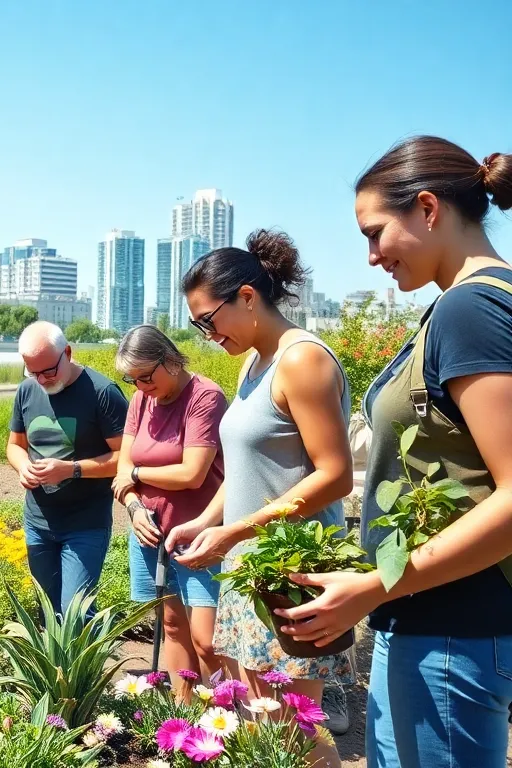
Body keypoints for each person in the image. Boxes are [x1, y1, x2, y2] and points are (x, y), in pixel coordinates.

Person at [276, 137, 512, 767]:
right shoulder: (466, 304)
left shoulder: (471, 310)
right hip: (437, 621)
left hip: (450, 630)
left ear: (428, 209)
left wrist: (375, 583)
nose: (372, 255)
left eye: (376, 233)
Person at [168, 230, 352, 768]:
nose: (206, 334)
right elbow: (250, 468)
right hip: (251, 566)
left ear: (247, 297)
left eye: (208, 319)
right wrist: (205, 520)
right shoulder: (254, 362)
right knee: (260, 727)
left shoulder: (302, 361)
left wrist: (234, 533)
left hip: (289, 572)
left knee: (295, 731)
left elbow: (335, 476)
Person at [111, 324, 227, 696]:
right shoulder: (140, 402)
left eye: (147, 376)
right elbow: (120, 476)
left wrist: (138, 473)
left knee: (207, 639)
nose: (142, 386)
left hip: (200, 533)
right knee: (173, 627)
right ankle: (183, 713)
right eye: (133, 380)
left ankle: (225, 715)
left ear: (171, 361)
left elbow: (193, 474)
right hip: (151, 532)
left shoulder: (204, 396)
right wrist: (133, 508)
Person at [8, 321, 127, 617]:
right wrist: (23, 466)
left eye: (49, 370)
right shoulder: (26, 391)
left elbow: (125, 457)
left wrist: (71, 469)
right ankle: (55, 665)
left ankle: (87, 665)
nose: (43, 379)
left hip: (85, 523)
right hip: (38, 521)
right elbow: (14, 445)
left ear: (68, 353)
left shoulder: (102, 392)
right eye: (33, 372)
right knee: (48, 611)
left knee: (77, 612)